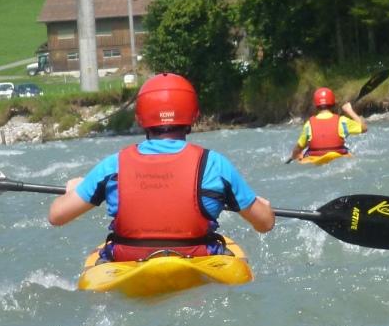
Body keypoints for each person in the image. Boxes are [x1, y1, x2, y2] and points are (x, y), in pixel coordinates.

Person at [49, 73, 274, 261]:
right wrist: (263, 206)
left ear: (140, 118)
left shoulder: (113, 165)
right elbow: (265, 224)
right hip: (196, 259)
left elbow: (57, 216)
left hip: (129, 261)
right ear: (194, 115)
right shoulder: (215, 164)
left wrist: (72, 191)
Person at [287, 87, 368, 162]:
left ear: (316, 106)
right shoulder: (342, 121)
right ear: (333, 104)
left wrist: (295, 156)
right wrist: (349, 110)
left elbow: (298, 149)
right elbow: (364, 128)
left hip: (315, 159)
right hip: (338, 157)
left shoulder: (309, 124)